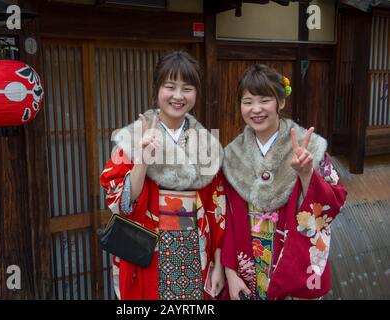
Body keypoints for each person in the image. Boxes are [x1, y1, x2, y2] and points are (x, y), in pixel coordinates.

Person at [100, 51, 226, 300]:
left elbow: (217, 209)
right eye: (170, 86)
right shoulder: (133, 138)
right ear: (157, 89)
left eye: (187, 88)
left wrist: (218, 264)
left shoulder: (207, 145)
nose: (178, 96)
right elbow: (122, 204)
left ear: (195, 93)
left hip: (195, 250)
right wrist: (143, 160)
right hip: (150, 248)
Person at [221, 64, 348, 300]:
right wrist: (229, 270)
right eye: (248, 102)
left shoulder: (308, 148)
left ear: (280, 102)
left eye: (264, 100)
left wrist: (307, 174)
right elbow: (225, 218)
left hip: (293, 265)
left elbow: (334, 202)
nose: (256, 109)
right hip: (247, 269)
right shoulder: (232, 156)